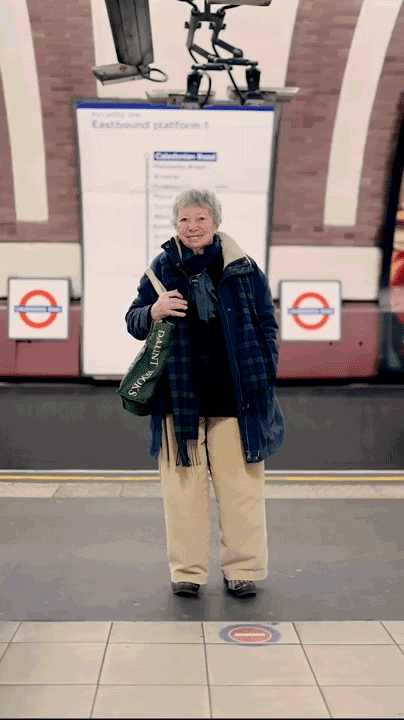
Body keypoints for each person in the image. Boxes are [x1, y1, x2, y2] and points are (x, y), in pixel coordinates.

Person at [125, 188, 285, 598]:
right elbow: (133, 320)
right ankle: (188, 573)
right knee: (183, 495)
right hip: (179, 403)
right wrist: (153, 311)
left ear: (215, 222)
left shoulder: (243, 268)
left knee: (241, 493)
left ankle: (242, 570)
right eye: (184, 219)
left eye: (200, 218)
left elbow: (267, 323)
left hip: (236, 402)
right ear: (175, 225)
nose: (192, 226)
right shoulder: (161, 268)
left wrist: (266, 369)